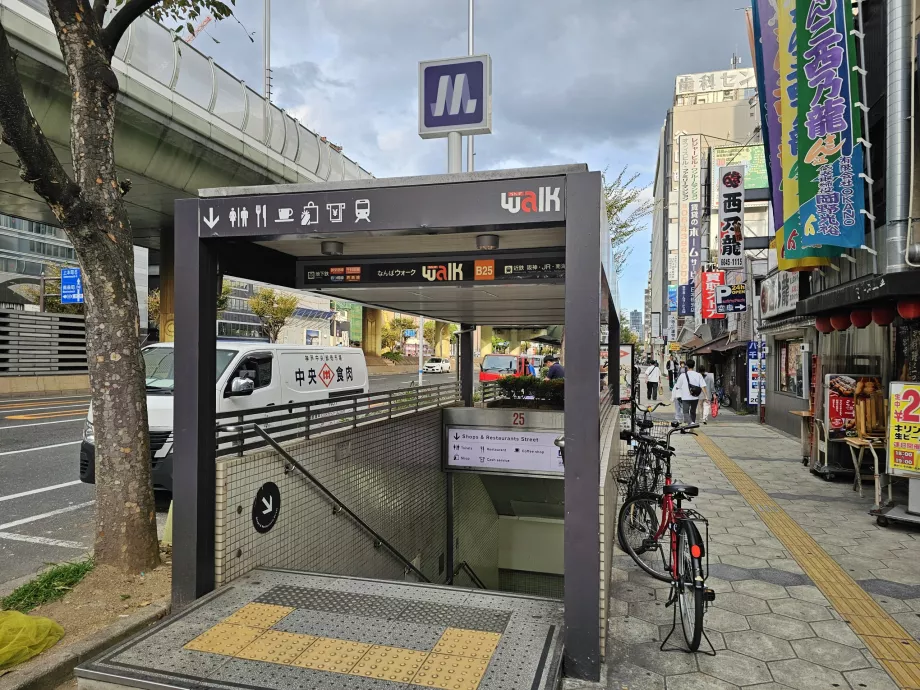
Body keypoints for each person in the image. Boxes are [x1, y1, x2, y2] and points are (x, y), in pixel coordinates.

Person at [672, 359, 708, 424]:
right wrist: (706, 396)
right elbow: (703, 386)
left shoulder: (682, 375)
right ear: (694, 366)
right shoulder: (698, 375)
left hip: (685, 397)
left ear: (686, 366)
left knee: (685, 412)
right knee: (693, 411)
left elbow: (678, 387)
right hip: (695, 397)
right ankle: (692, 424)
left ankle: (691, 423)